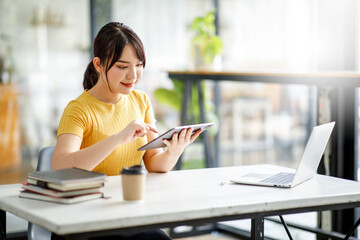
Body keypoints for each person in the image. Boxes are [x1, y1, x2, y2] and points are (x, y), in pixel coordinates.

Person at [50, 22, 202, 240]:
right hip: (83, 221)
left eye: (139, 65)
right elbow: (60, 166)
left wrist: (174, 151)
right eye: (122, 67)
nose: (133, 75)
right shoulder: (78, 109)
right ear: (99, 64)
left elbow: (154, 164)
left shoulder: (140, 101)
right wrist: (119, 138)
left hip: (125, 213)